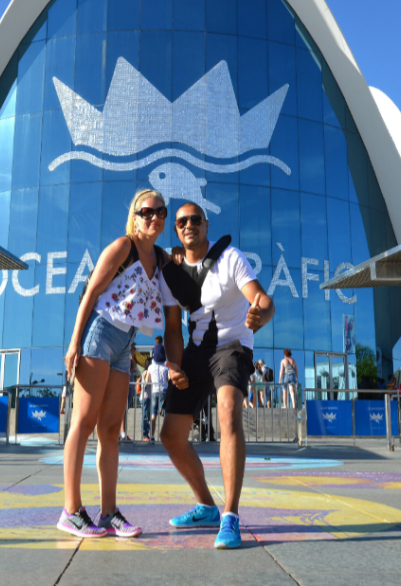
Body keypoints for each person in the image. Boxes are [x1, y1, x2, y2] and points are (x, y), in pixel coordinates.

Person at [158, 201, 275, 550]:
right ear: (176, 230)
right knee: (170, 436)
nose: (188, 225)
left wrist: (259, 314)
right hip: (196, 352)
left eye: (195, 219)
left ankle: (230, 515)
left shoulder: (230, 258)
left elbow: (263, 300)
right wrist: (175, 365)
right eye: (182, 221)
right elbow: (173, 328)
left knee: (227, 411)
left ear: (206, 225)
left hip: (233, 345)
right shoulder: (171, 273)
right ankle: (207, 506)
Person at [58, 189, 169, 539]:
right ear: (134, 217)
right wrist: (74, 343)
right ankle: (71, 511)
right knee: (84, 421)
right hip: (100, 333)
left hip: (125, 344)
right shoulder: (124, 246)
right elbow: (91, 292)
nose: (154, 217)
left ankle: (108, 513)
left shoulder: (160, 258)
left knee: (110, 430)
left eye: (160, 211)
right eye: (147, 211)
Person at [146, 339, 169, 441]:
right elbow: (169, 379)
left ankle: (152, 435)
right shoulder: (166, 366)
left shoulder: (151, 367)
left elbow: (148, 380)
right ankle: (166, 435)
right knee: (166, 414)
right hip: (164, 390)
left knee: (153, 415)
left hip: (154, 390)